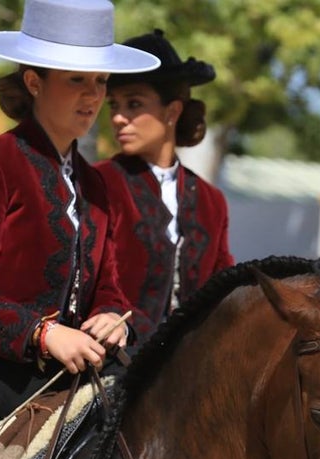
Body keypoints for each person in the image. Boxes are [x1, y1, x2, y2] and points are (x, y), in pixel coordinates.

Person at [0, 0, 159, 436]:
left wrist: (111, 316)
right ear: (33, 82)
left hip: (68, 374)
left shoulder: (96, 183)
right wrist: (43, 334)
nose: (94, 95)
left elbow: (109, 287)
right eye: (77, 79)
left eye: (101, 81)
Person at [95, 29, 234, 345]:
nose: (118, 118)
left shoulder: (211, 201)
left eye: (133, 104)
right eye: (114, 105)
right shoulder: (99, 182)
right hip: (113, 354)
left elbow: (224, 288)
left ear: (172, 111)